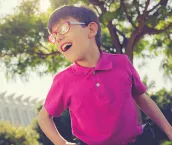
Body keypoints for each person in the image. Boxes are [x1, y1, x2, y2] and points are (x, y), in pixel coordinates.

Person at [37, 5, 172, 145]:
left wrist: (168, 129)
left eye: (63, 29)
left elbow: (141, 97)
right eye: (53, 36)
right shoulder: (63, 80)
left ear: (91, 30)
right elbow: (43, 117)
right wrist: (62, 143)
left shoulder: (122, 63)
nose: (58, 38)